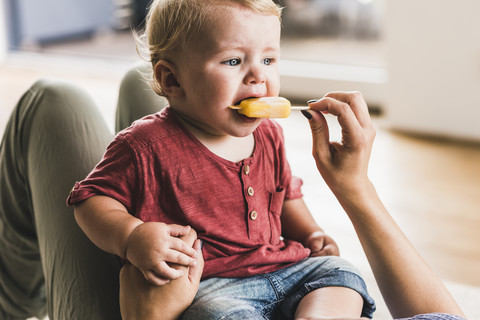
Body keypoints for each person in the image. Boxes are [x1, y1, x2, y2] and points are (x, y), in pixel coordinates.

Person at [67, 0, 376, 319]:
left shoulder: (269, 133)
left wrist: (311, 233)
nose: (258, 75)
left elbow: (285, 196)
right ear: (172, 80)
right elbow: (90, 201)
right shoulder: (143, 145)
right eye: (233, 61)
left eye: (268, 59)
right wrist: (131, 236)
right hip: (213, 287)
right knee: (214, 315)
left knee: (342, 274)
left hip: (285, 267)